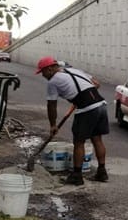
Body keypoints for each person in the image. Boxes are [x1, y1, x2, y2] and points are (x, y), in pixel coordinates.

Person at [35, 56, 109, 185]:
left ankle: (77, 175)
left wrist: (53, 125)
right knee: (97, 139)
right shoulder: (75, 71)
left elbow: (51, 105)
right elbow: (96, 84)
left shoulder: (53, 82)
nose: (43, 75)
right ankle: (102, 172)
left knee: (79, 142)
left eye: (43, 72)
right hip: (101, 105)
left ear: (50, 69)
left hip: (87, 109)